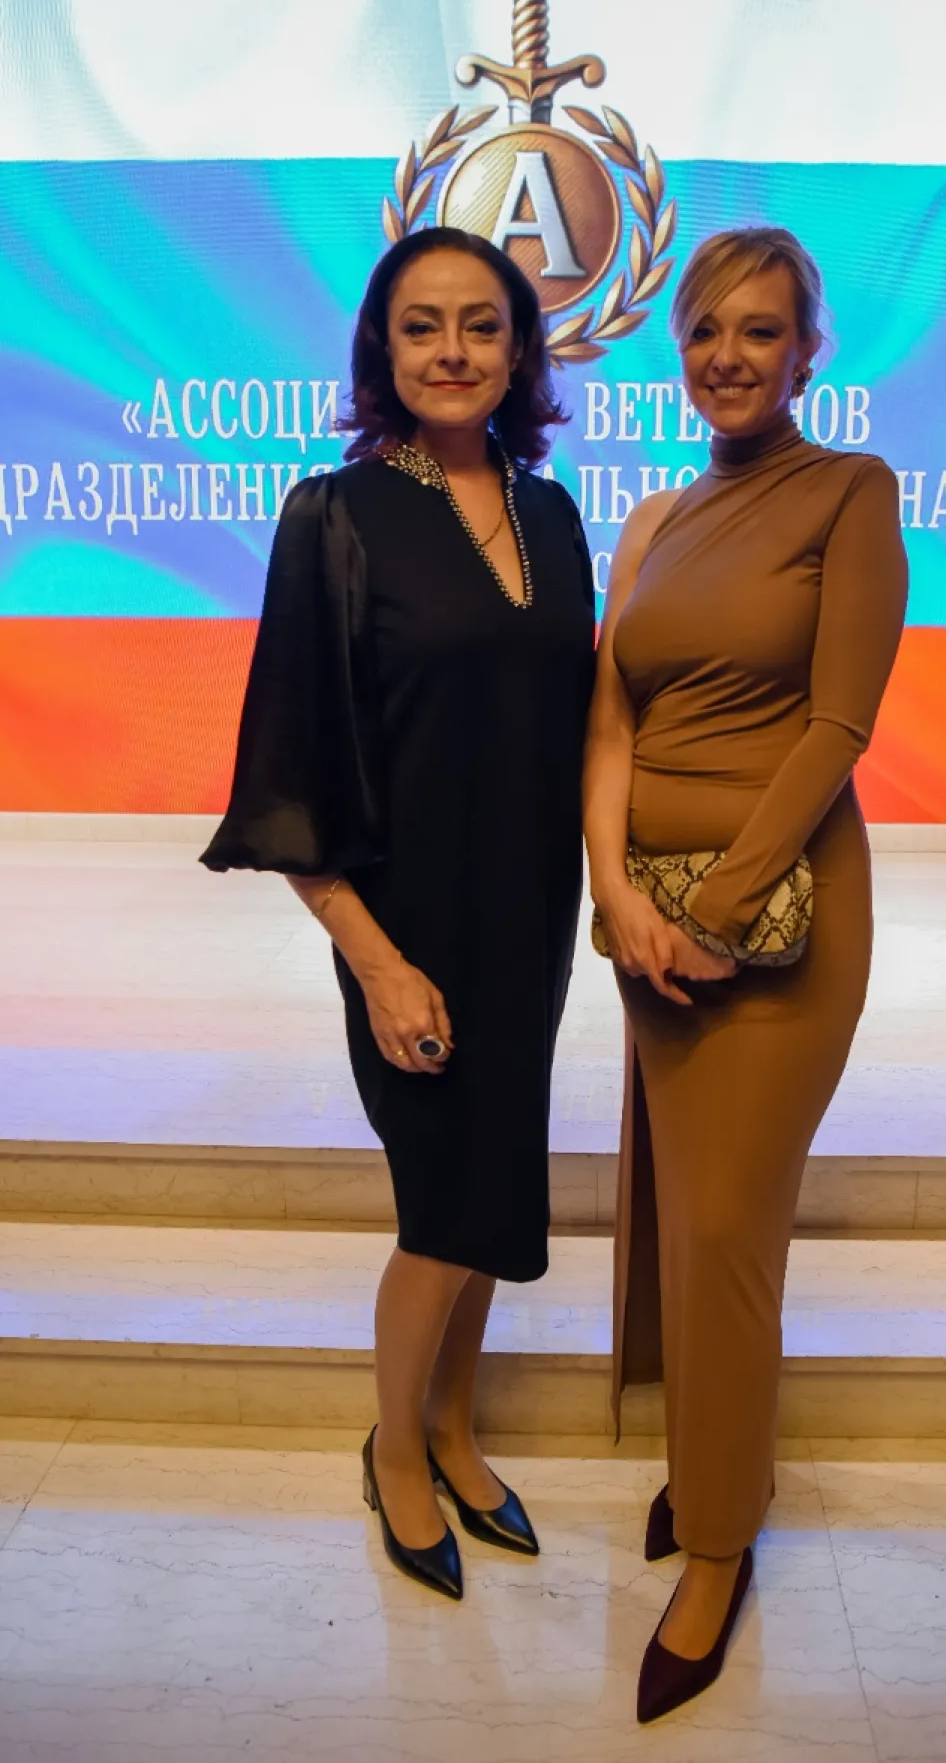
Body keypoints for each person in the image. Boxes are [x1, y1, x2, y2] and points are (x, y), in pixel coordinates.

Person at [202, 227, 596, 1601]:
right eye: (422, 325)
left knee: (489, 1191)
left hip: (528, 912)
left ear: (520, 348)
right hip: (409, 922)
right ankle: (395, 1448)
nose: (453, 351)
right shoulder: (336, 516)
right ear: (382, 346)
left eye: (481, 324)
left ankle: (457, 1428)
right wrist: (376, 964)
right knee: (439, 1204)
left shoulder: (553, 514)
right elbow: (292, 771)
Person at [584, 226, 908, 1722]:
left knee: (725, 1227)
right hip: (649, 924)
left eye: (760, 331)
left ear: (807, 353)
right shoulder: (654, 517)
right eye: (707, 329)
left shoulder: (852, 492)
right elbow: (612, 721)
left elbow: (840, 724)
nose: (728, 355)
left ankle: (716, 1546)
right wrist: (617, 898)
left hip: (782, 920)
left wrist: (716, 905)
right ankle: (719, 1465)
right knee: (687, 1214)